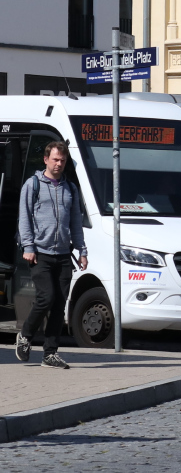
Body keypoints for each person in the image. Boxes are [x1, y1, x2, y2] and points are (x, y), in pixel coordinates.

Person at [15, 141, 87, 369]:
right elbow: (24, 217)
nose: (59, 164)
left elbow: (76, 222)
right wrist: (28, 246)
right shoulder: (33, 184)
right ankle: (25, 335)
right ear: (46, 159)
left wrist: (82, 251)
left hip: (64, 254)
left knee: (59, 304)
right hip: (40, 253)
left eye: (62, 161)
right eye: (55, 160)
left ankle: (50, 353)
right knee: (46, 297)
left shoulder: (70, 188)